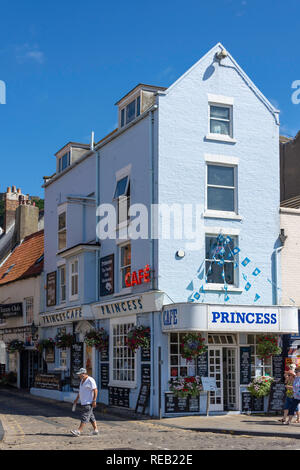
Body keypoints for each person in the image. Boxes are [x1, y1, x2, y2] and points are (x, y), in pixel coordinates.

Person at [70, 368, 99, 437]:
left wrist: (94, 400)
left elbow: (95, 390)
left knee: (84, 416)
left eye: (80, 374)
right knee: (91, 417)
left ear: (84, 374)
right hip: (84, 402)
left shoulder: (90, 380)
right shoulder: (82, 381)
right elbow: (80, 392)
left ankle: (79, 431)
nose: (79, 376)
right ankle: (96, 430)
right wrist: (76, 399)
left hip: (88, 402)